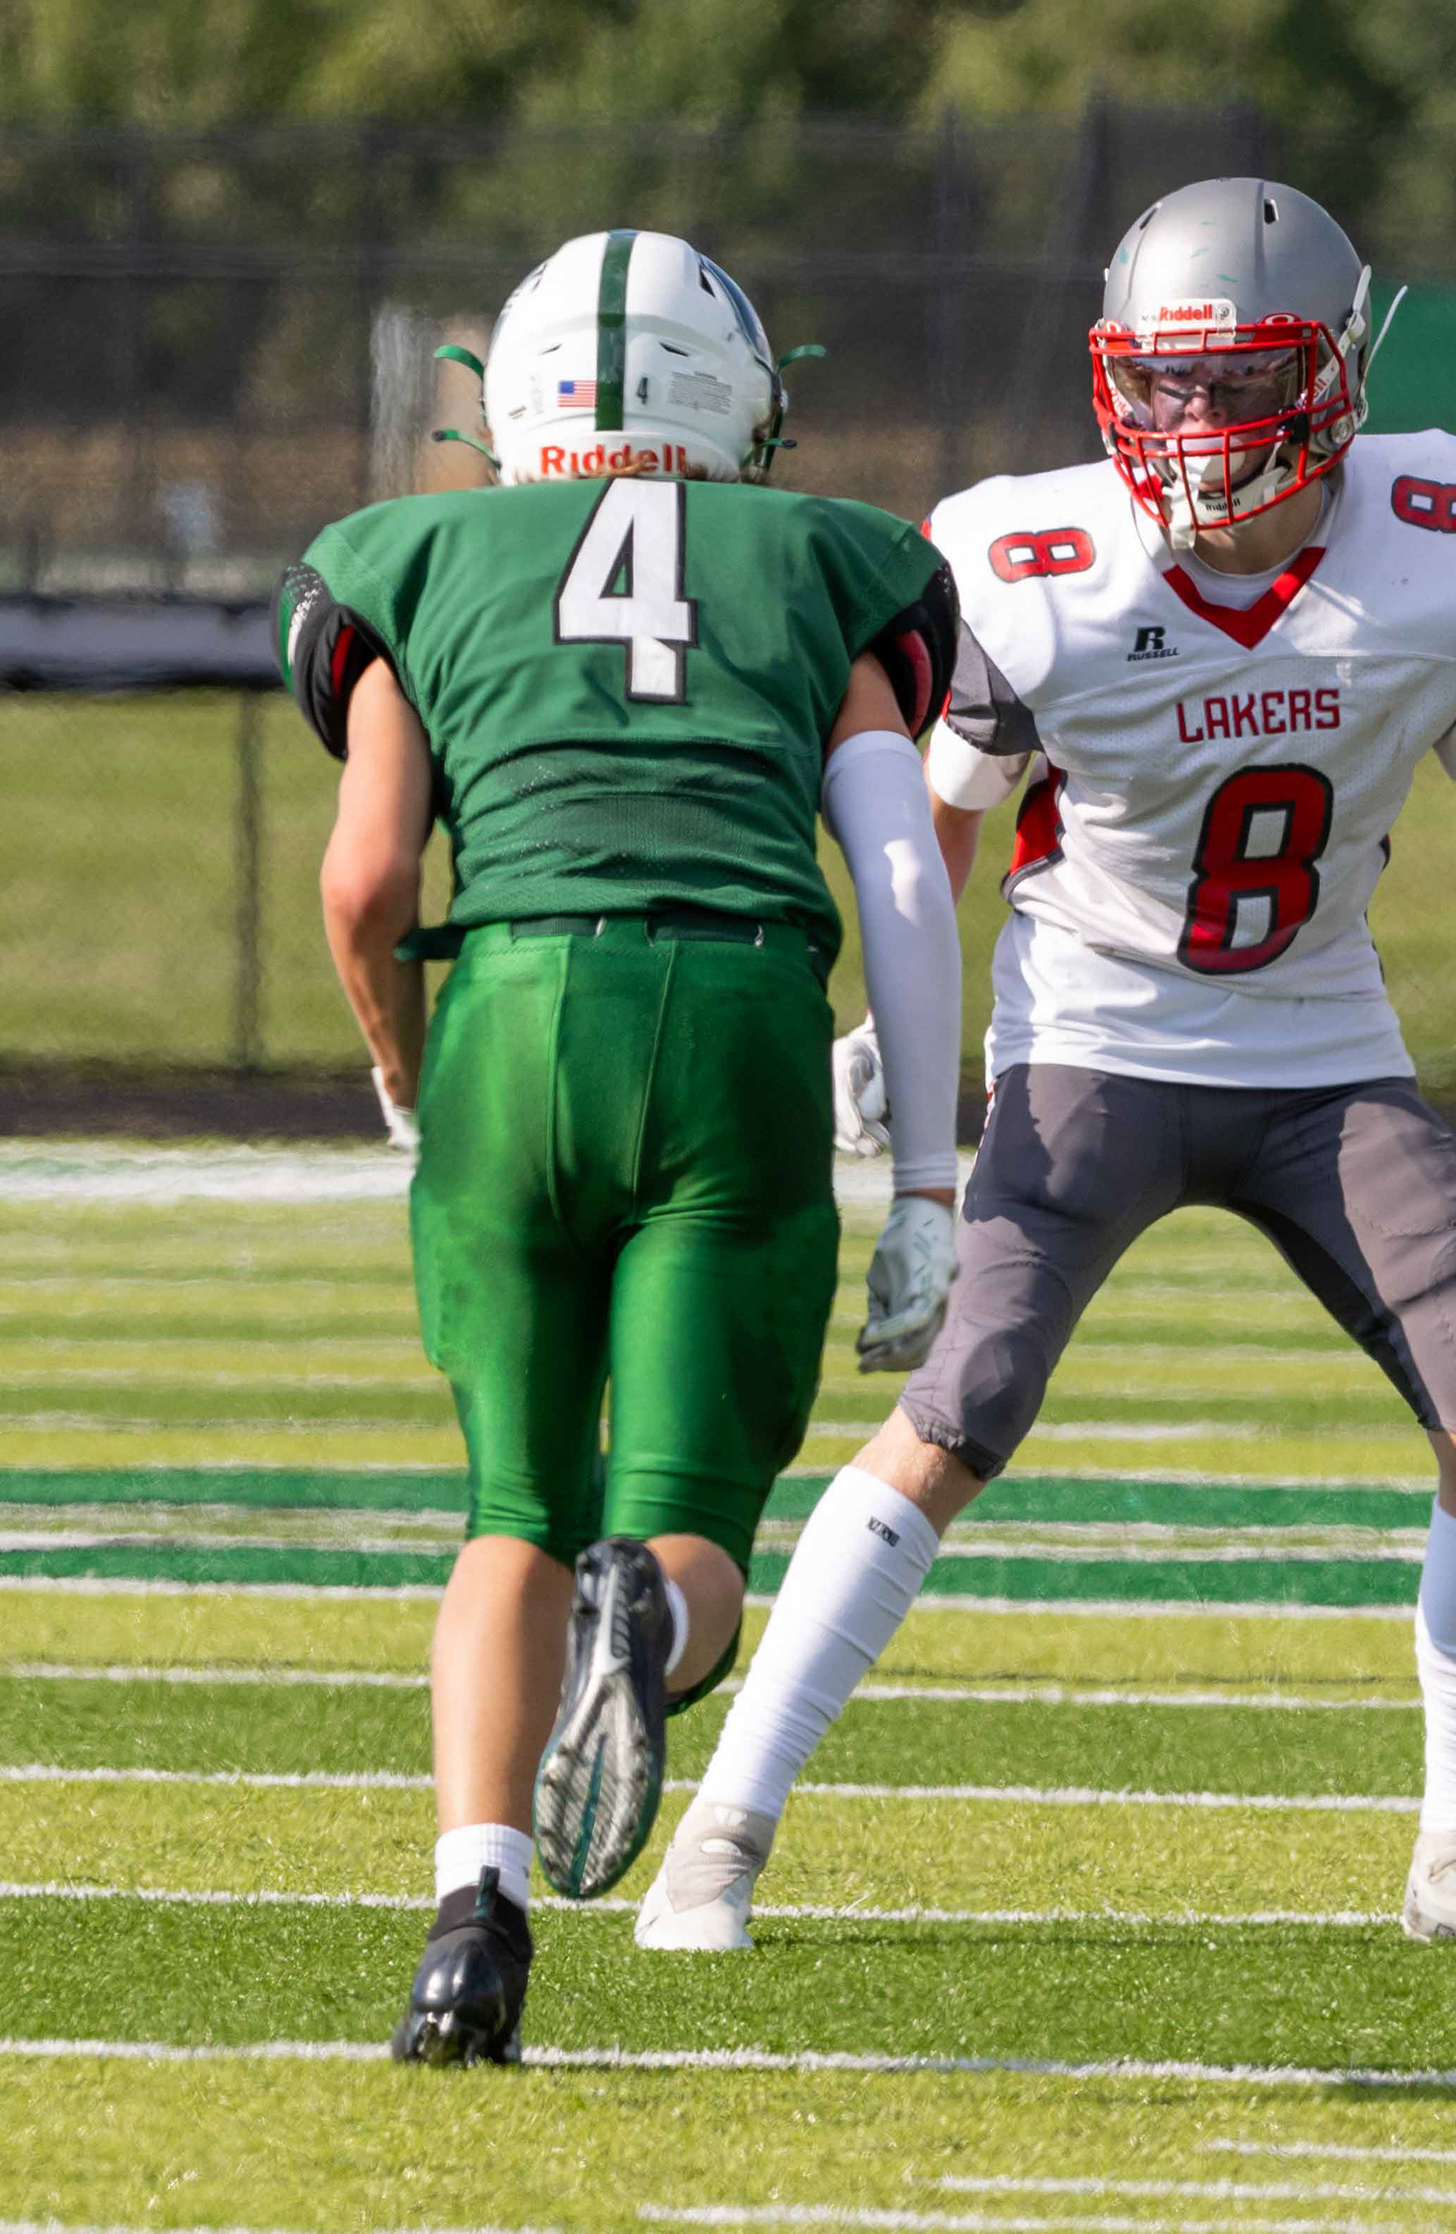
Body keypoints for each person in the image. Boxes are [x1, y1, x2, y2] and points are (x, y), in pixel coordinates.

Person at [638, 176, 1456, 1957]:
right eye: (1165, 379)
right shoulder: (1034, 568)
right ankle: (717, 1837)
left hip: (1322, 1043)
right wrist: (894, 1032)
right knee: (959, 1408)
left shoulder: (1443, 538)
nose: (1196, 422)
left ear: (1335, 374)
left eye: (1242, 377)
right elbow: (936, 828)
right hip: (1093, 1037)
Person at [277, 229, 963, 2062]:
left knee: (511, 1506)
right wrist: (930, 1180)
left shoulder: (411, 555)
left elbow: (364, 881)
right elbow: (901, 868)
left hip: (508, 1006)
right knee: (685, 1530)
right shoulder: (821, 555)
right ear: (736, 400)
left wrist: (409, 1079)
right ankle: (642, 1616)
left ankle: (471, 1920)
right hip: (735, 1011)